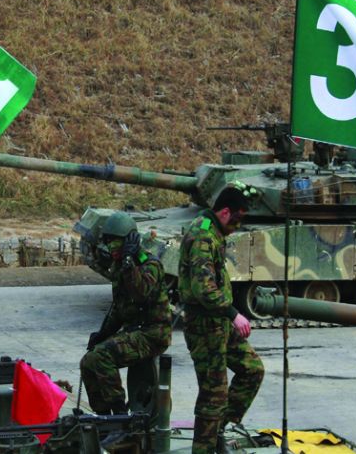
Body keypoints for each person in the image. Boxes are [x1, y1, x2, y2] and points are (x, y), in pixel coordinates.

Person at [178, 185, 265, 454]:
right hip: (205, 325)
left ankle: (217, 430)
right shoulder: (203, 236)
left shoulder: (214, 231)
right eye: (236, 220)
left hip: (219, 323)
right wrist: (233, 314)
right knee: (213, 394)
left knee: (252, 369)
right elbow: (204, 289)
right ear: (224, 212)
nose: (237, 227)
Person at [80, 211, 173, 415]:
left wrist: (129, 261)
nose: (111, 248)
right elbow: (119, 308)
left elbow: (140, 293)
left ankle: (120, 414)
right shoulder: (120, 264)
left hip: (153, 333)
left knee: (102, 356)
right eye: (108, 243)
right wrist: (103, 333)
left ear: (129, 241)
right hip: (135, 330)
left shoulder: (150, 265)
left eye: (115, 243)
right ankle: (103, 416)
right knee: (88, 362)